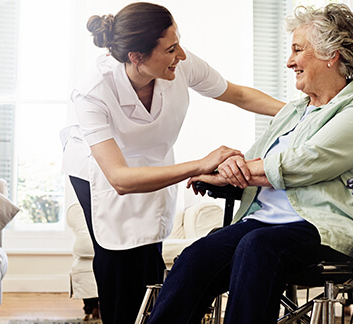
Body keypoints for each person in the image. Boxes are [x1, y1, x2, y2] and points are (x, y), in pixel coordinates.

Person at [146, 3, 353, 323]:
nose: (289, 62)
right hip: (259, 224)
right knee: (196, 257)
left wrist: (240, 172)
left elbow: (309, 160)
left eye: (298, 50)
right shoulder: (293, 111)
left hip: (324, 228)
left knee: (258, 247)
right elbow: (254, 158)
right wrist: (222, 173)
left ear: (332, 55)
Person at [59, 2, 284, 323]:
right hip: (100, 170)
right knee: (118, 258)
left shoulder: (179, 64)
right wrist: (201, 164)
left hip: (151, 160)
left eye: (178, 43)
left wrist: (301, 113)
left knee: (148, 250)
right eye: (170, 48)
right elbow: (120, 179)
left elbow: (238, 95)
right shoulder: (92, 92)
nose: (181, 54)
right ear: (137, 57)